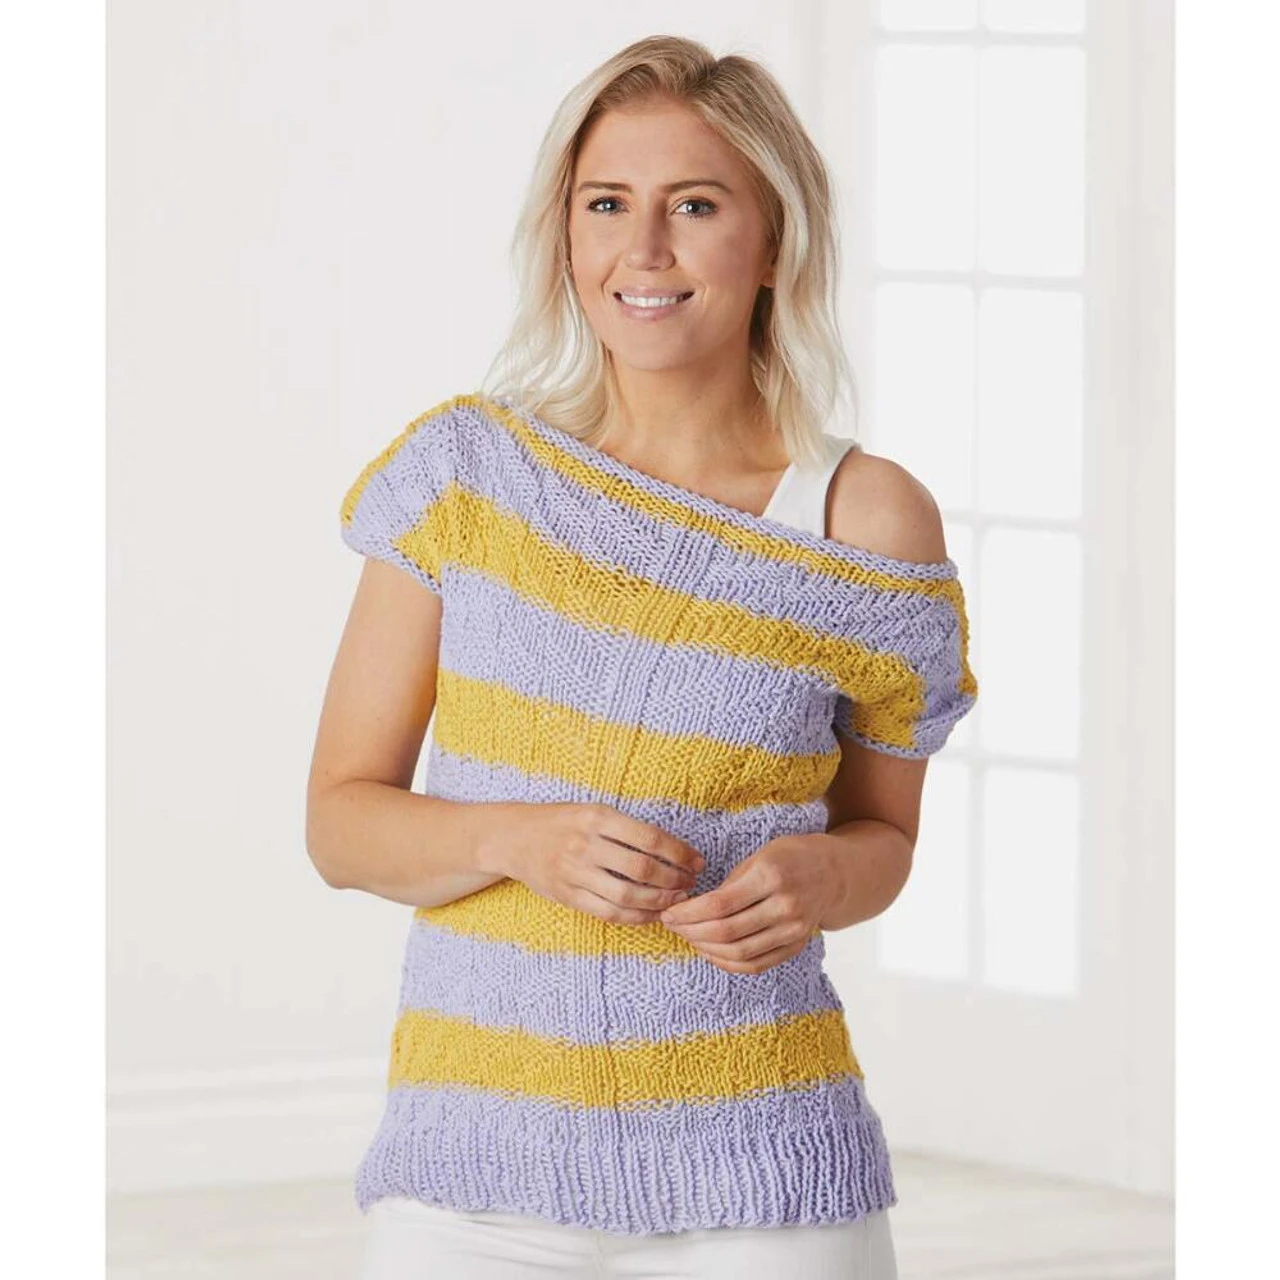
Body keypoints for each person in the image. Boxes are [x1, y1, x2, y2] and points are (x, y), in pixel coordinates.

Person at [307, 33, 977, 1280]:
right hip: (468, 1179)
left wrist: (822, 875)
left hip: (761, 1183)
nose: (645, 248)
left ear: (772, 243)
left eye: (696, 205)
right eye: (606, 204)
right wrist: (513, 838)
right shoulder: (467, 475)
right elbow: (340, 824)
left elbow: (882, 838)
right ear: (564, 235)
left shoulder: (862, 519)